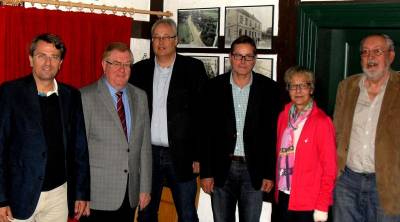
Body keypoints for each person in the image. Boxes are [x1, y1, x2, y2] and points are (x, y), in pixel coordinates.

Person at [0, 33, 90, 222]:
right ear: (31, 59)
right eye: (42, 56)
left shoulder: (71, 96)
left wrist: (81, 193)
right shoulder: (10, 93)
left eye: (54, 57)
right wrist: (1, 200)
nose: (48, 62)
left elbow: (80, 149)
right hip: (19, 196)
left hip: (59, 195)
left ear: (61, 62)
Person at [129, 18, 208, 222]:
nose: (161, 42)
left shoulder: (193, 69)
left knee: (187, 213)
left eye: (166, 37)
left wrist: (199, 156)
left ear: (176, 40)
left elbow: (202, 115)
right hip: (148, 155)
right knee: (146, 211)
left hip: (182, 155)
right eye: (156, 37)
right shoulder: (139, 70)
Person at [199, 35, 279, 222]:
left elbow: (271, 136)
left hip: (254, 171)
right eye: (238, 56)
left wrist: (269, 173)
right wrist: (206, 173)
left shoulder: (269, 89)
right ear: (230, 57)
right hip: (221, 171)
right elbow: (206, 133)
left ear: (254, 59)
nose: (243, 61)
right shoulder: (213, 88)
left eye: (248, 56)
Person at [79, 42, 152, 222]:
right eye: (116, 63)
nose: (122, 69)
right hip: (96, 196)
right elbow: (79, 152)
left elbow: (144, 146)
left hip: (130, 193)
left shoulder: (140, 97)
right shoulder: (85, 97)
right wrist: (80, 193)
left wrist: (145, 188)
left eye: (127, 64)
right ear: (104, 65)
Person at [333, 33, 400, 221]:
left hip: (388, 183)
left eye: (377, 51)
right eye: (365, 52)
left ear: (391, 56)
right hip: (347, 181)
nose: (370, 57)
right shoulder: (346, 87)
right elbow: (336, 132)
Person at [275, 66, 337, 222]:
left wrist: (322, 206)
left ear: (311, 89)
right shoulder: (283, 116)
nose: (298, 90)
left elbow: (330, 169)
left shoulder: (322, 122)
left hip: (308, 202)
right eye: (293, 86)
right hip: (284, 194)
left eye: (303, 85)